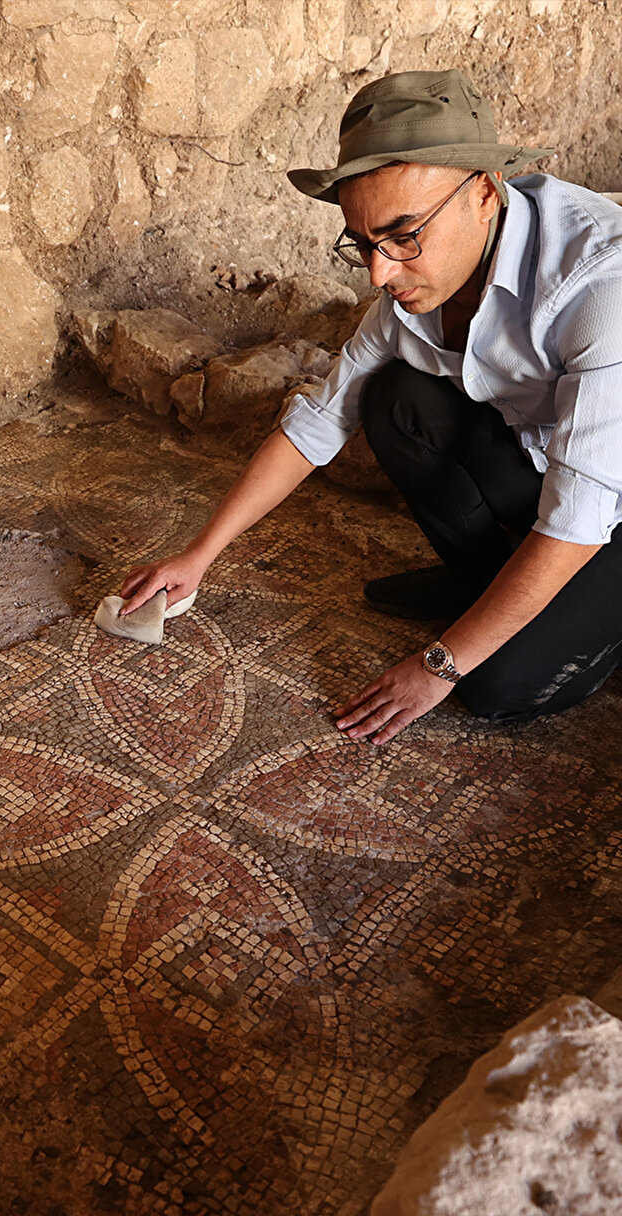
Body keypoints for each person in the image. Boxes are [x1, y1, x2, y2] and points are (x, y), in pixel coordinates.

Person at [121, 69, 622, 746]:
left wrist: (439, 665)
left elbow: (577, 520)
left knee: (494, 687)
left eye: (403, 234)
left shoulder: (600, 284)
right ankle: (484, 586)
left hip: (606, 510)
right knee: (395, 399)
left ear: (484, 192)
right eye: (362, 243)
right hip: (550, 464)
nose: (379, 273)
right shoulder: (415, 284)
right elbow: (320, 420)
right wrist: (198, 556)